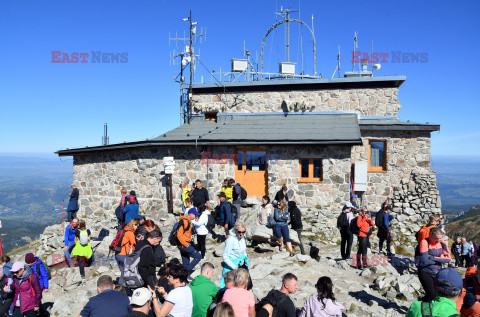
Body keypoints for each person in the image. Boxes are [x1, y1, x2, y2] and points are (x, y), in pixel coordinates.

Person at [417, 227, 451, 302]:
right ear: (431, 235)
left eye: (440, 238)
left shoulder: (442, 242)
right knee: (431, 294)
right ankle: (421, 304)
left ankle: (428, 307)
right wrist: (440, 258)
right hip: (425, 271)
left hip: (437, 272)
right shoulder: (425, 241)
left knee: (438, 294)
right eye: (436, 238)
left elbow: (448, 259)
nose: (438, 240)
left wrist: (433, 258)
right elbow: (424, 260)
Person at [221, 222, 249, 288]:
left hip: (240, 264)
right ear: (235, 230)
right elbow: (225, 256)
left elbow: (243, 250)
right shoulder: (231, 240)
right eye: (239, 232)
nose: (241, 234)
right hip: (231, 266)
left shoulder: (242, 237)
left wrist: (245, 261)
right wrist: (235, 268)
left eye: (243, 232)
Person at [177, 209, 202, 277]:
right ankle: (185, 273)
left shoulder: (187, 221)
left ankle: (185, 277)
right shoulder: (185, 221)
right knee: (198, 256)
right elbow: (179, 235)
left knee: (186, 261)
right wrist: (186, 245)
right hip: (184, 245)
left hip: (182, 245)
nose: (195, 216)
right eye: (194, 215)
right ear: (190, 214)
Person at [116, 219, 139, 285]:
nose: (137, 228)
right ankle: (121, 288)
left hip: (117, 254)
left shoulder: (123, 230)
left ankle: (119, 287)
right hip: (123, 255)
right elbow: (134, 245)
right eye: (136, 226)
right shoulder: (130, 233)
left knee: (123, 273)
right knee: (126, 274)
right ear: (133, 225)